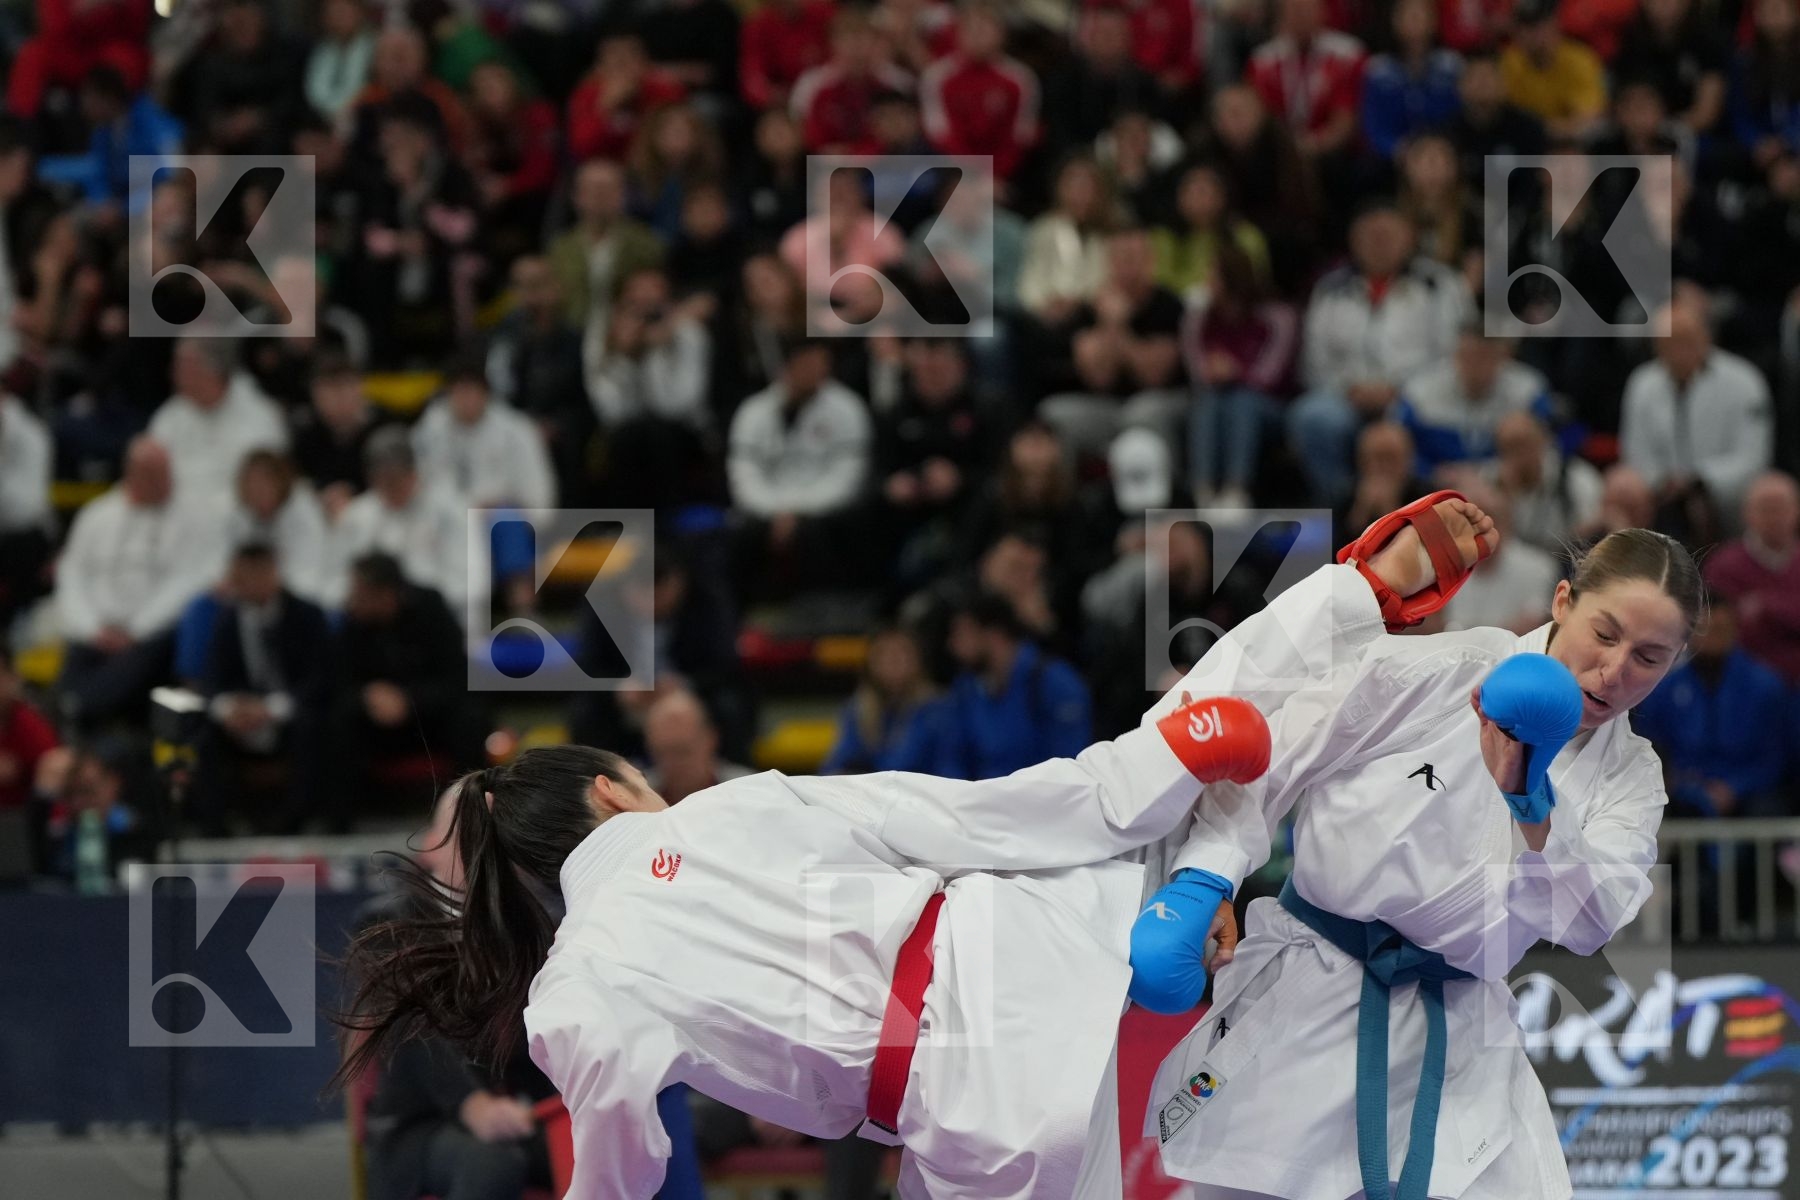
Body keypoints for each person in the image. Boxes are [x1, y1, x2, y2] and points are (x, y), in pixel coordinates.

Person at [336, 682, 1275, 1199]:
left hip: (964, 1108)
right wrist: (1137, 772)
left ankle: (1203, 850)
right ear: (609, 792)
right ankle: (1208, 851)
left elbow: (623, 1154)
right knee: (1185, 801)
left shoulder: (573, 986)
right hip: (1031, 953)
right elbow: (968, 820)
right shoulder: (735, 805)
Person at [1129, 494, 1697, 1200]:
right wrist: (1207, 878)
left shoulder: (1631, 776)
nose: (1614, 671)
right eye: (1604, 634)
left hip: (1457, 1032)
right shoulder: (1442, 669)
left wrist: (1533, 805)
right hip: (1310, 993)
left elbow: (1590, 923)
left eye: (1649, 658)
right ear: (1562, 601)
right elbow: (1269, 756)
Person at [822, 625, 944, 774]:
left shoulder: (939, 711)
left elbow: (949, 771)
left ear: (918, 660)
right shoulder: (858, 710)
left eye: (902, 653)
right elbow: (836, 766)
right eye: (884, 654)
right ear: (870, 663)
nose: (893, 661)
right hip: (870, 788)